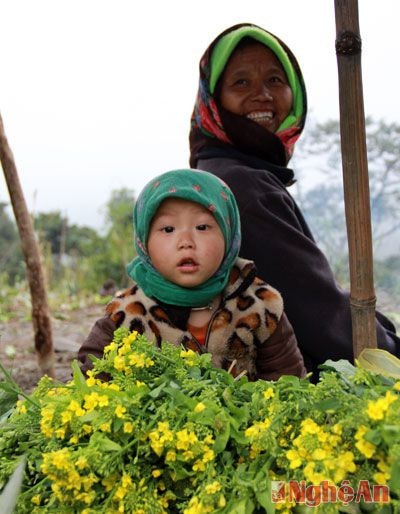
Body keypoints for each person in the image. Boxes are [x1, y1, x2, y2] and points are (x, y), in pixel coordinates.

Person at [188, 22, 400, 376]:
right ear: (214, 100)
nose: (263, 95)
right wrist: (391, 351)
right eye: (241, 82)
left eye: (275, 80)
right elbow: (315, 311)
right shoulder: (241, 185)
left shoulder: (228, 171)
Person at [78, 168, 306, 381]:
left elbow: (289, 383)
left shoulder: (262, 307)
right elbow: (85, 383)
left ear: (228, 234)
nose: (186, 243)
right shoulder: (124, 316)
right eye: (168, 229)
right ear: (144, 240)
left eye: (202, 227)